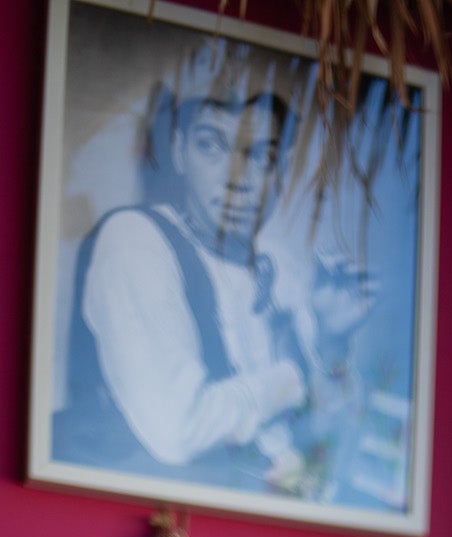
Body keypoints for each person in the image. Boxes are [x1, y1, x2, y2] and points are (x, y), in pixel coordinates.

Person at [53, 88, 374, 492]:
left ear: (281, 169)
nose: (236, 179)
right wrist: (296, 374)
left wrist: (331, 341)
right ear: (179, 150)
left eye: (261, 157)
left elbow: (326, 452)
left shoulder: (280, 264)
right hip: (142, 509)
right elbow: (179, 430)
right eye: (210, 146)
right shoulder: (135, 241)